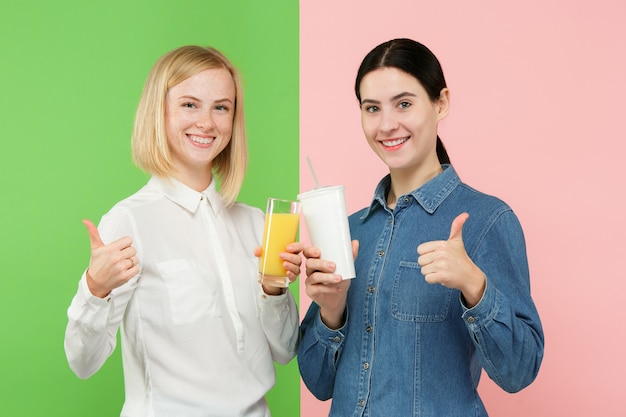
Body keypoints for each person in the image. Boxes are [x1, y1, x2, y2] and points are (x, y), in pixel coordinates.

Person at [297, 38, 544, 416]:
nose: (386, 124)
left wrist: (475, 286)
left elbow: (520, 371)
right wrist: (331, 310)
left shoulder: (487, 220)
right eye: (372, 108)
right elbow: (318, 384)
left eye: (404, 104)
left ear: (440, 103)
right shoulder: (348, 230)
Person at [64, 45, 302, 417]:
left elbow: (286, 351)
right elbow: (83, 362)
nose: (206, 122)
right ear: (159, 113)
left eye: (221, 107)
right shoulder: (129, 223)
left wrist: (274, 290)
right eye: (190, 105)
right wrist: (95, 289)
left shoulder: (256, 223)